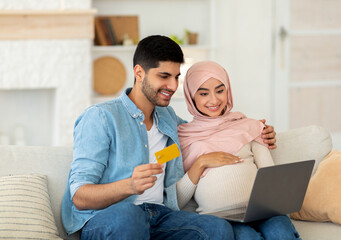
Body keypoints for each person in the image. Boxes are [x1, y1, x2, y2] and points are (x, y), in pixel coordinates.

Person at [61, 35, 276, 239]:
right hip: (111, 218)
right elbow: (79, 196)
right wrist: (129, 186)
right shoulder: (101, 118)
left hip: (161, 217)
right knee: (129, 217)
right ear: (139, 73)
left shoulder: (168, 119)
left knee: (217, 229)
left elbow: (208, 132)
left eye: (176, 77)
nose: (173, 87)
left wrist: (255, 130)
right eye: (164, 76)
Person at [177, 61, 300, 240]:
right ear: (191, 96)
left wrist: (270, 201)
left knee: (282, 234)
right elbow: (176, 201)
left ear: (228, 90)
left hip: (262, 211)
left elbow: (270, 174)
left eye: (220, 90)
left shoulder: (250, 126)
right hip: (221, 218)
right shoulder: (182, 138)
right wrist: (201, 162)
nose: (214, 100)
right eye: (203, 93)